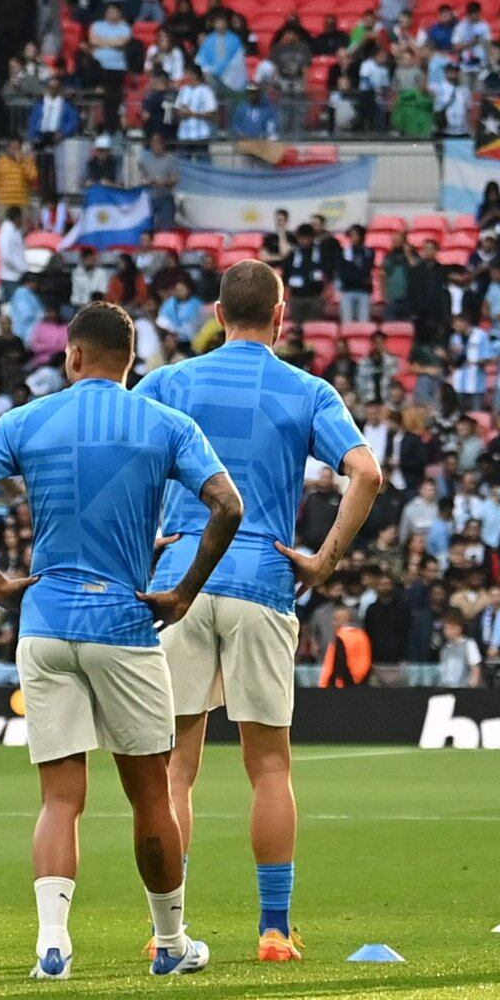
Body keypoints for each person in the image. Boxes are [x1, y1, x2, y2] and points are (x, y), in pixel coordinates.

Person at [0, 301, 242, 977]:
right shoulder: (164, 423)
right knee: (151, 793)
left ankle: (52, 943)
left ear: (73, 356)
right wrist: (184, 590)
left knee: (60, 797)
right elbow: (229, 504)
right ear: (131, 361)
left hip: (44, 624)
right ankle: (170, 943)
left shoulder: (29, 418)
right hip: (126, 625)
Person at [140, 259, 382, 962]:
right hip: (263, 574)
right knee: (269, 766)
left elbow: (124, 454)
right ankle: (274, 929)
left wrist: (149, 540)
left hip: (181, 571)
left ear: (217, 313)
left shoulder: (171, 381)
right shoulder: (306, 388)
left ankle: (169, 930)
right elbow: (365, 471)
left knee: (173, 769)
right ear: (281, 317)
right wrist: (324, 557)